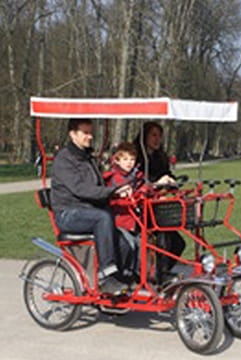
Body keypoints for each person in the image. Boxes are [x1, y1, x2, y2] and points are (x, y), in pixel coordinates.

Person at [51, 118, 133, 295]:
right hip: (67, 213)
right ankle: (106, 277)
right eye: (85, 133)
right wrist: (111, 192)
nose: (90, 136)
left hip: (86, 211)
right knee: (102, 217)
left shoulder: (87, 157)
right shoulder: (64, 159)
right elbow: (81, 189)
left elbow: (98, 186)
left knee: (123, 240)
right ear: (72, 134)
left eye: (91, 132)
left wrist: (119, 191)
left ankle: (123, 278)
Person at [133, 122, 185, 283]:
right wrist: (157, 183)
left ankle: (161, 274)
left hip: (158, 207)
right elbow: (137, 180)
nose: (157, 139)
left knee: (178, 243)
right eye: (153, 135)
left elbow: (167, 174)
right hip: (139, 207)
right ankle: (158, 276)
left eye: (159, 136)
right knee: (163, 236)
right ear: (145, 136)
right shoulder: (136, 157)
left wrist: (172, 181)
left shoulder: (160, 157)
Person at [103, 142, 144, 281]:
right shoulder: (114, 178)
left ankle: (138, 275)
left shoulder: (136, 176)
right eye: (125, 159)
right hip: (120, 220)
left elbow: (143, 188)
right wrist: (123, 193)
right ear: (117, 160)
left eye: (132, 159)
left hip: (134, 220)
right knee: (129, 244)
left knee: (142, 244)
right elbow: (113, 196)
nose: (129, 163)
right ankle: (122, 275)